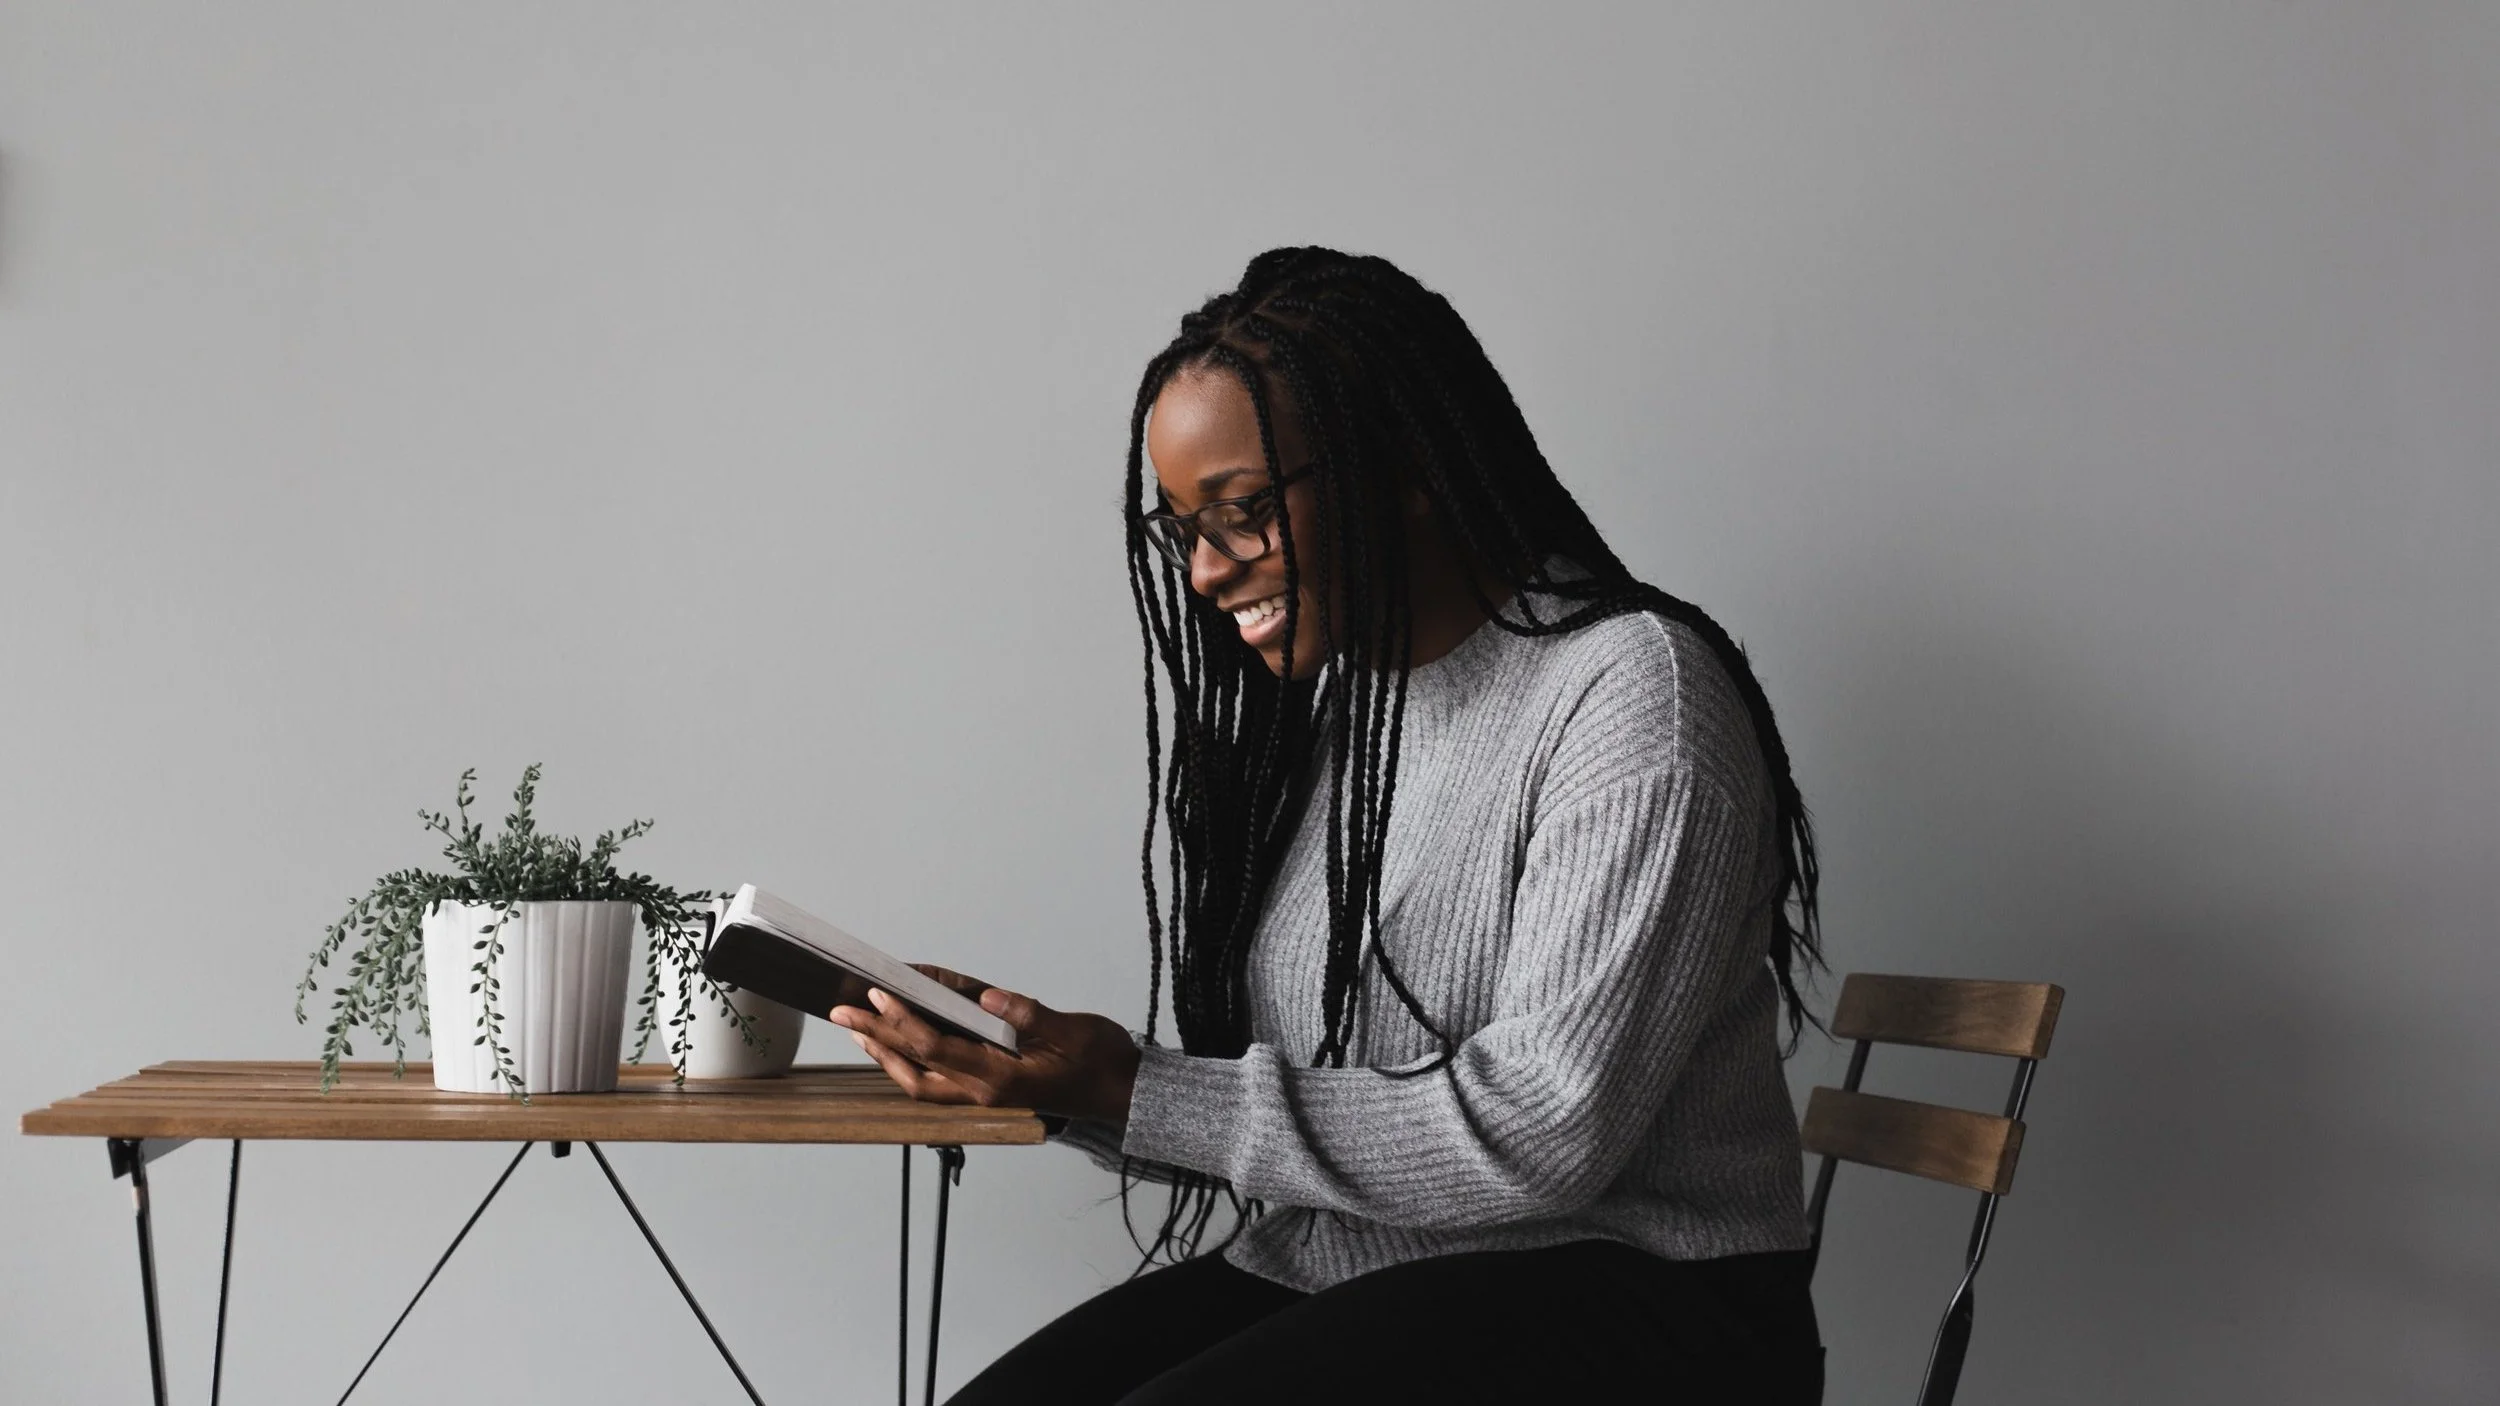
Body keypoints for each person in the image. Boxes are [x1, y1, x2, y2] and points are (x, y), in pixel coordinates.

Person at [831, 247, 1827, 1404]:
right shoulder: (1360, 712)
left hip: (1651, 1306)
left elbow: (1545, 1131)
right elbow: (1333, 1108)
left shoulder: (1632, 695)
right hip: (1362, 1265)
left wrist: (1135, 1085)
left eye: (1242, 511)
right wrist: (1055, 1079)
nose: (1204, 572)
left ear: (1398, 466)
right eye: (1182, 529)